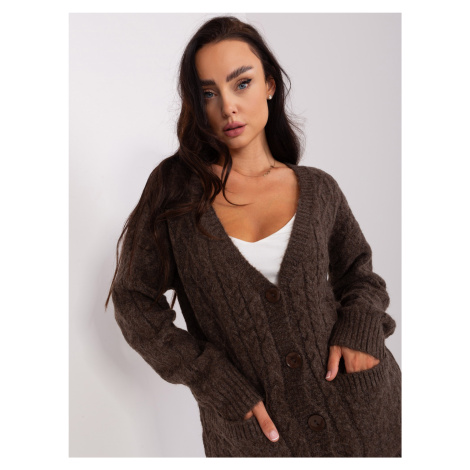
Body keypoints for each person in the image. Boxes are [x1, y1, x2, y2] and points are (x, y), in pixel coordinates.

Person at [105, 15, 401, 457]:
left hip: (364, 415)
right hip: (256, 441)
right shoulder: (175, 190)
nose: (228, 107)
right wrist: (211, 379)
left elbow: (359, 273)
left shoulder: (318, 188)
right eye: (209, 93)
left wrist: (360, 328)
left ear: (269, 85)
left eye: (241, 83)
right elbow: (133, 299)